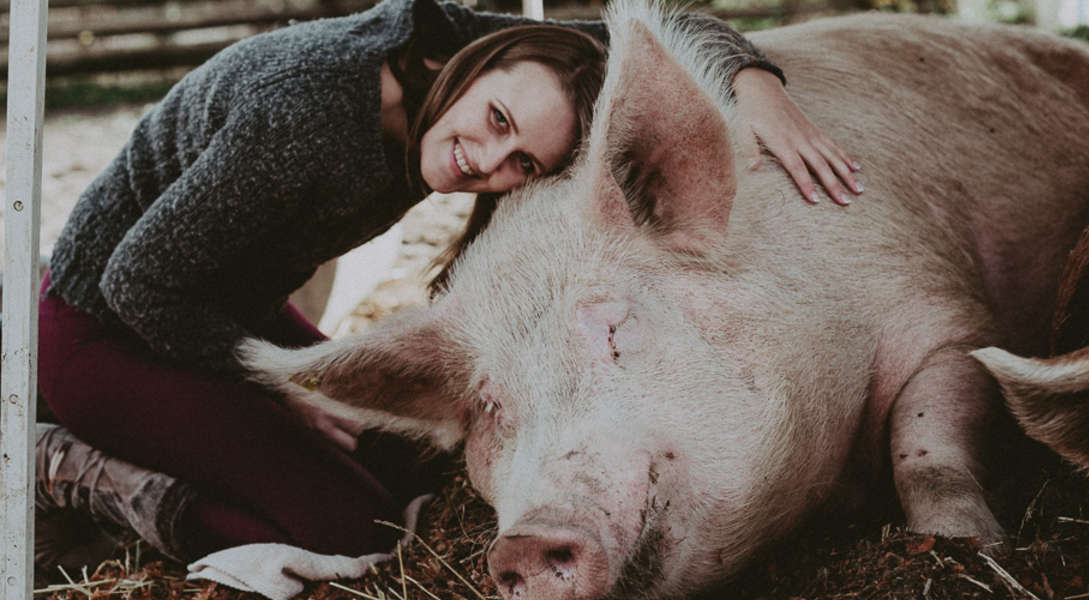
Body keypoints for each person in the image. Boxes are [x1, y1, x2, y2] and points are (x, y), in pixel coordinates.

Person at [34, 0, 862, 572]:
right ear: (476, 70)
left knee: (411, 464)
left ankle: (211, 443)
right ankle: (86, 471)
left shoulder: (473, 53)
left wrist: (754, 81)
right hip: (99, 331)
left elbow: (651, 26)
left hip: (216, 305)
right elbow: (137, 279)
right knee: (347, 532)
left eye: (523, 165)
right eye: (497, 123)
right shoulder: (309, 119)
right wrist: (280, 397)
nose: (485, 163)